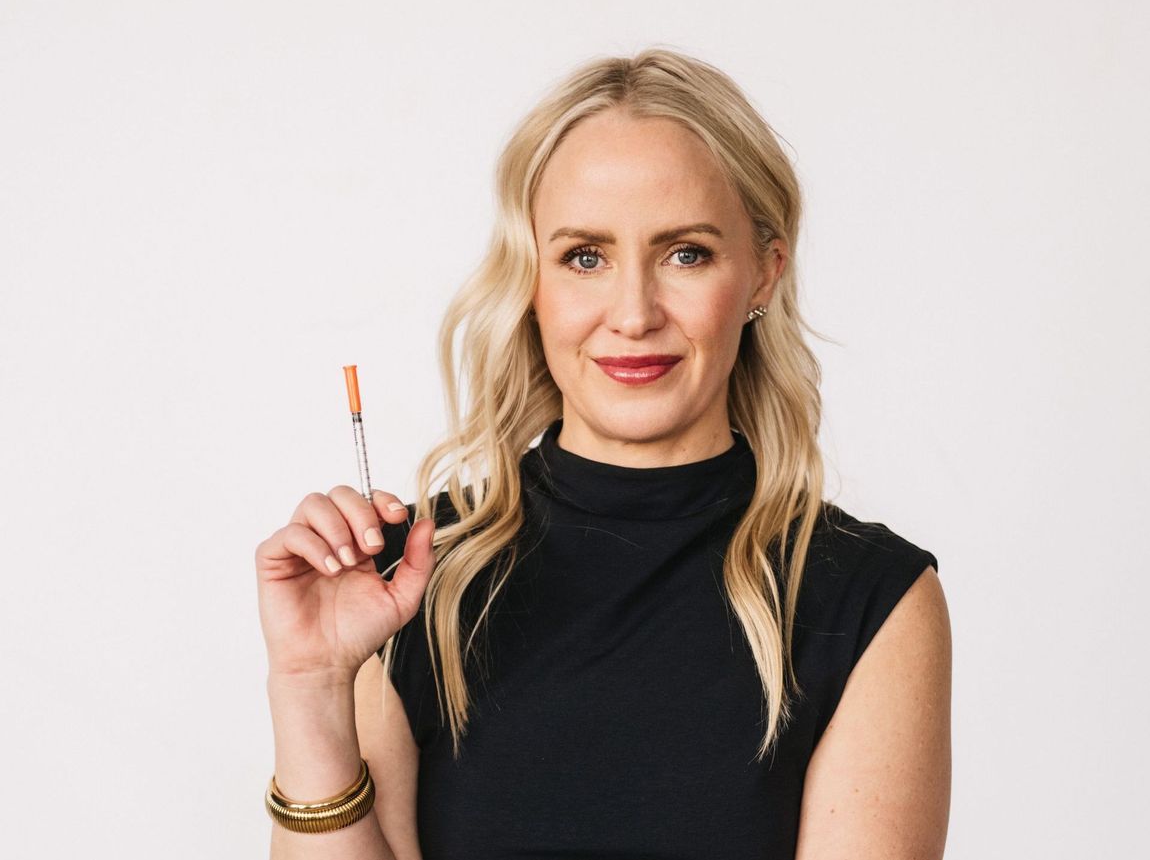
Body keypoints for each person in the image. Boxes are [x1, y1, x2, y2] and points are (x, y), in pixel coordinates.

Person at [255, 47, 952, 860]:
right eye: (586, 256)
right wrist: (309, 686)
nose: (633, 312)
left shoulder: (871, 601)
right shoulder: (415, 574)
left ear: (764, 272)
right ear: (532, 280)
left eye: (685, 252)